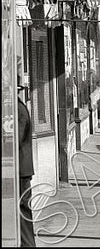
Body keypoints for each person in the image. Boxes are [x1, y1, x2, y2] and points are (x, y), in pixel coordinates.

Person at [17, 81, 36, 247]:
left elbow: (17, 139)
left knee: (23, 209)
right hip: (20, 167)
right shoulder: (17, 107)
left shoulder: (18, 109)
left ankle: (27, 244)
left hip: (21, 168)